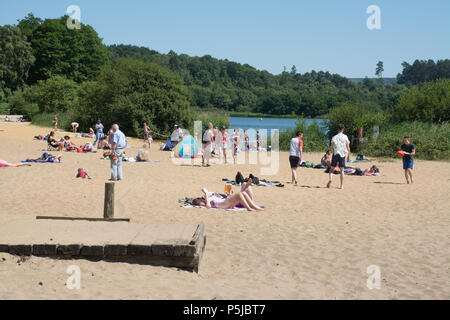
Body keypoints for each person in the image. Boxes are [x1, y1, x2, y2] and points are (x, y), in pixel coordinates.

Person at [195, 178, 263, 211]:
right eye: (197, 199)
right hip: (224, 204)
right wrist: (206, 198)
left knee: (243, 193)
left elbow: (219, 199)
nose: (199, 199)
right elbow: (209, 207)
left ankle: (256, 207)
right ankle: (249, 208)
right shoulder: (205, 202)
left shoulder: (209, 198)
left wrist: (229, 195)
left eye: (198, 198)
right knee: (239, 194)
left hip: (225, 202)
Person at [327, 124, 350, 189]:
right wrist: (348, 155)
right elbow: (348, 147)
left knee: (331, 169)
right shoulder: (345, 137)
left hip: (336, 153)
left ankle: (330, 179)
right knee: (342, 170)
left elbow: (331, 146)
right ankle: (341, 185)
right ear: (343, 129)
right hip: (342, 154)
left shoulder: (334, 137)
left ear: (338, 129)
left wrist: (332, 151)